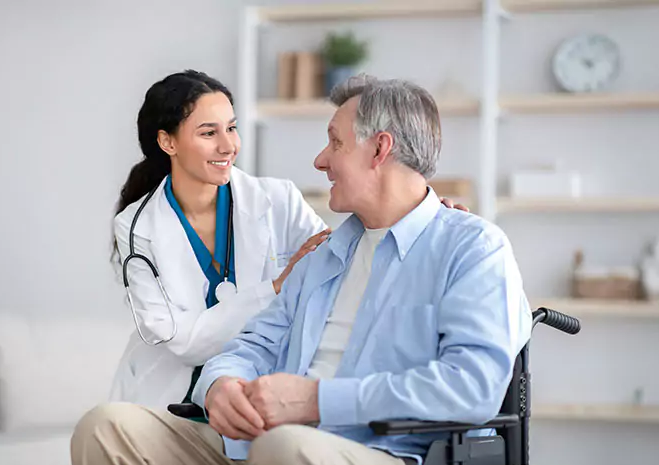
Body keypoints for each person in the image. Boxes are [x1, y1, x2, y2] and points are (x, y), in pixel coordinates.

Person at [76, 74, 532, 465]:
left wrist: (317, 401)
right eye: (208, 132)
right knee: (106, 429)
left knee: (285, 449)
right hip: (261, 441)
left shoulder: (470, 247)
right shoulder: (325, 254)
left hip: (382, 451)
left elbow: (471, 387)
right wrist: (221, 386)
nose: (319, 160)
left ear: (380, 149)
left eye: (335, 143)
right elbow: (249, 344)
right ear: (168, 142)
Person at [109, 70, 471, 410]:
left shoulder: (276, 200)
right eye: (208, 133)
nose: (228, 146)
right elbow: (184, 342)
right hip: (167, 394)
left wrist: (423, 215)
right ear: (167, 142)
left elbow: (339, 258)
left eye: (231, 129)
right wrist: (278, 287)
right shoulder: (137, 227)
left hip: (252, 395)